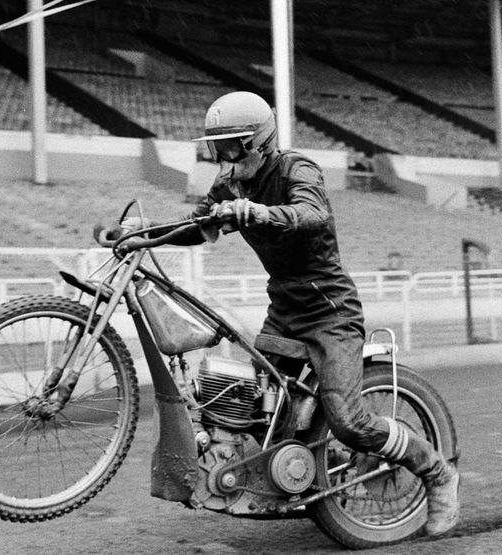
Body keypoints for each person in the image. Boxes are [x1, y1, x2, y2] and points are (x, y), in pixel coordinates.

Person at [126, 92, 459, 536]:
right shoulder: (230, 186)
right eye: (215, 148)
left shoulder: (296, 168)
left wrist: (261, 212)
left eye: (229, 147)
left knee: (349, 420)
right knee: (255, 414)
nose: (221, 158)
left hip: (330, 312)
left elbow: (312, 212)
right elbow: (195, 225)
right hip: (284, 309)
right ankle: (288, 479)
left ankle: (437, 473)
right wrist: (140, 236)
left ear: (259, 142)